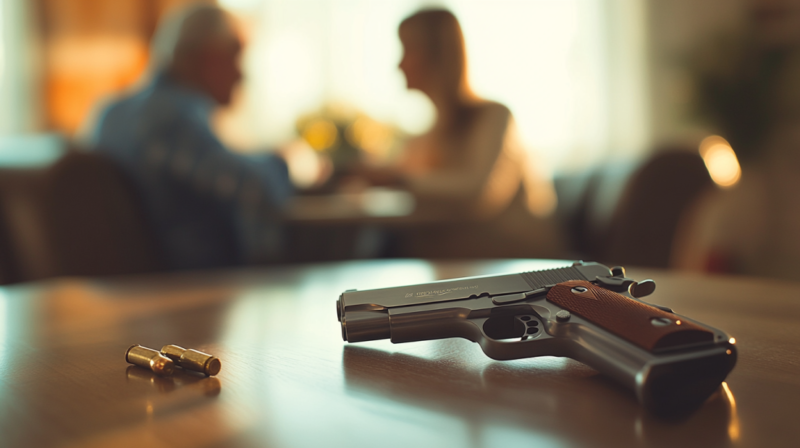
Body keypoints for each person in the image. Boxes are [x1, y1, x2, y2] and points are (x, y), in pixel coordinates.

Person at [88, 5, 292, 270]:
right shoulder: (171, 119)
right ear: (208, 58)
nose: (242, 75)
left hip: (136, 288)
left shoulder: (111, 113)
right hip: (191, 289)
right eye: (235, 56)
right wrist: (282, 162)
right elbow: (253, 188)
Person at [365, 9, 562, 257]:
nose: (399, 64)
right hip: (457, 262)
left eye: (408, 50)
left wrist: (398, 180)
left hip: (513, 265)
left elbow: (478, 194)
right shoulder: (428, 135)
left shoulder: (494, 116)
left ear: (438, 55)